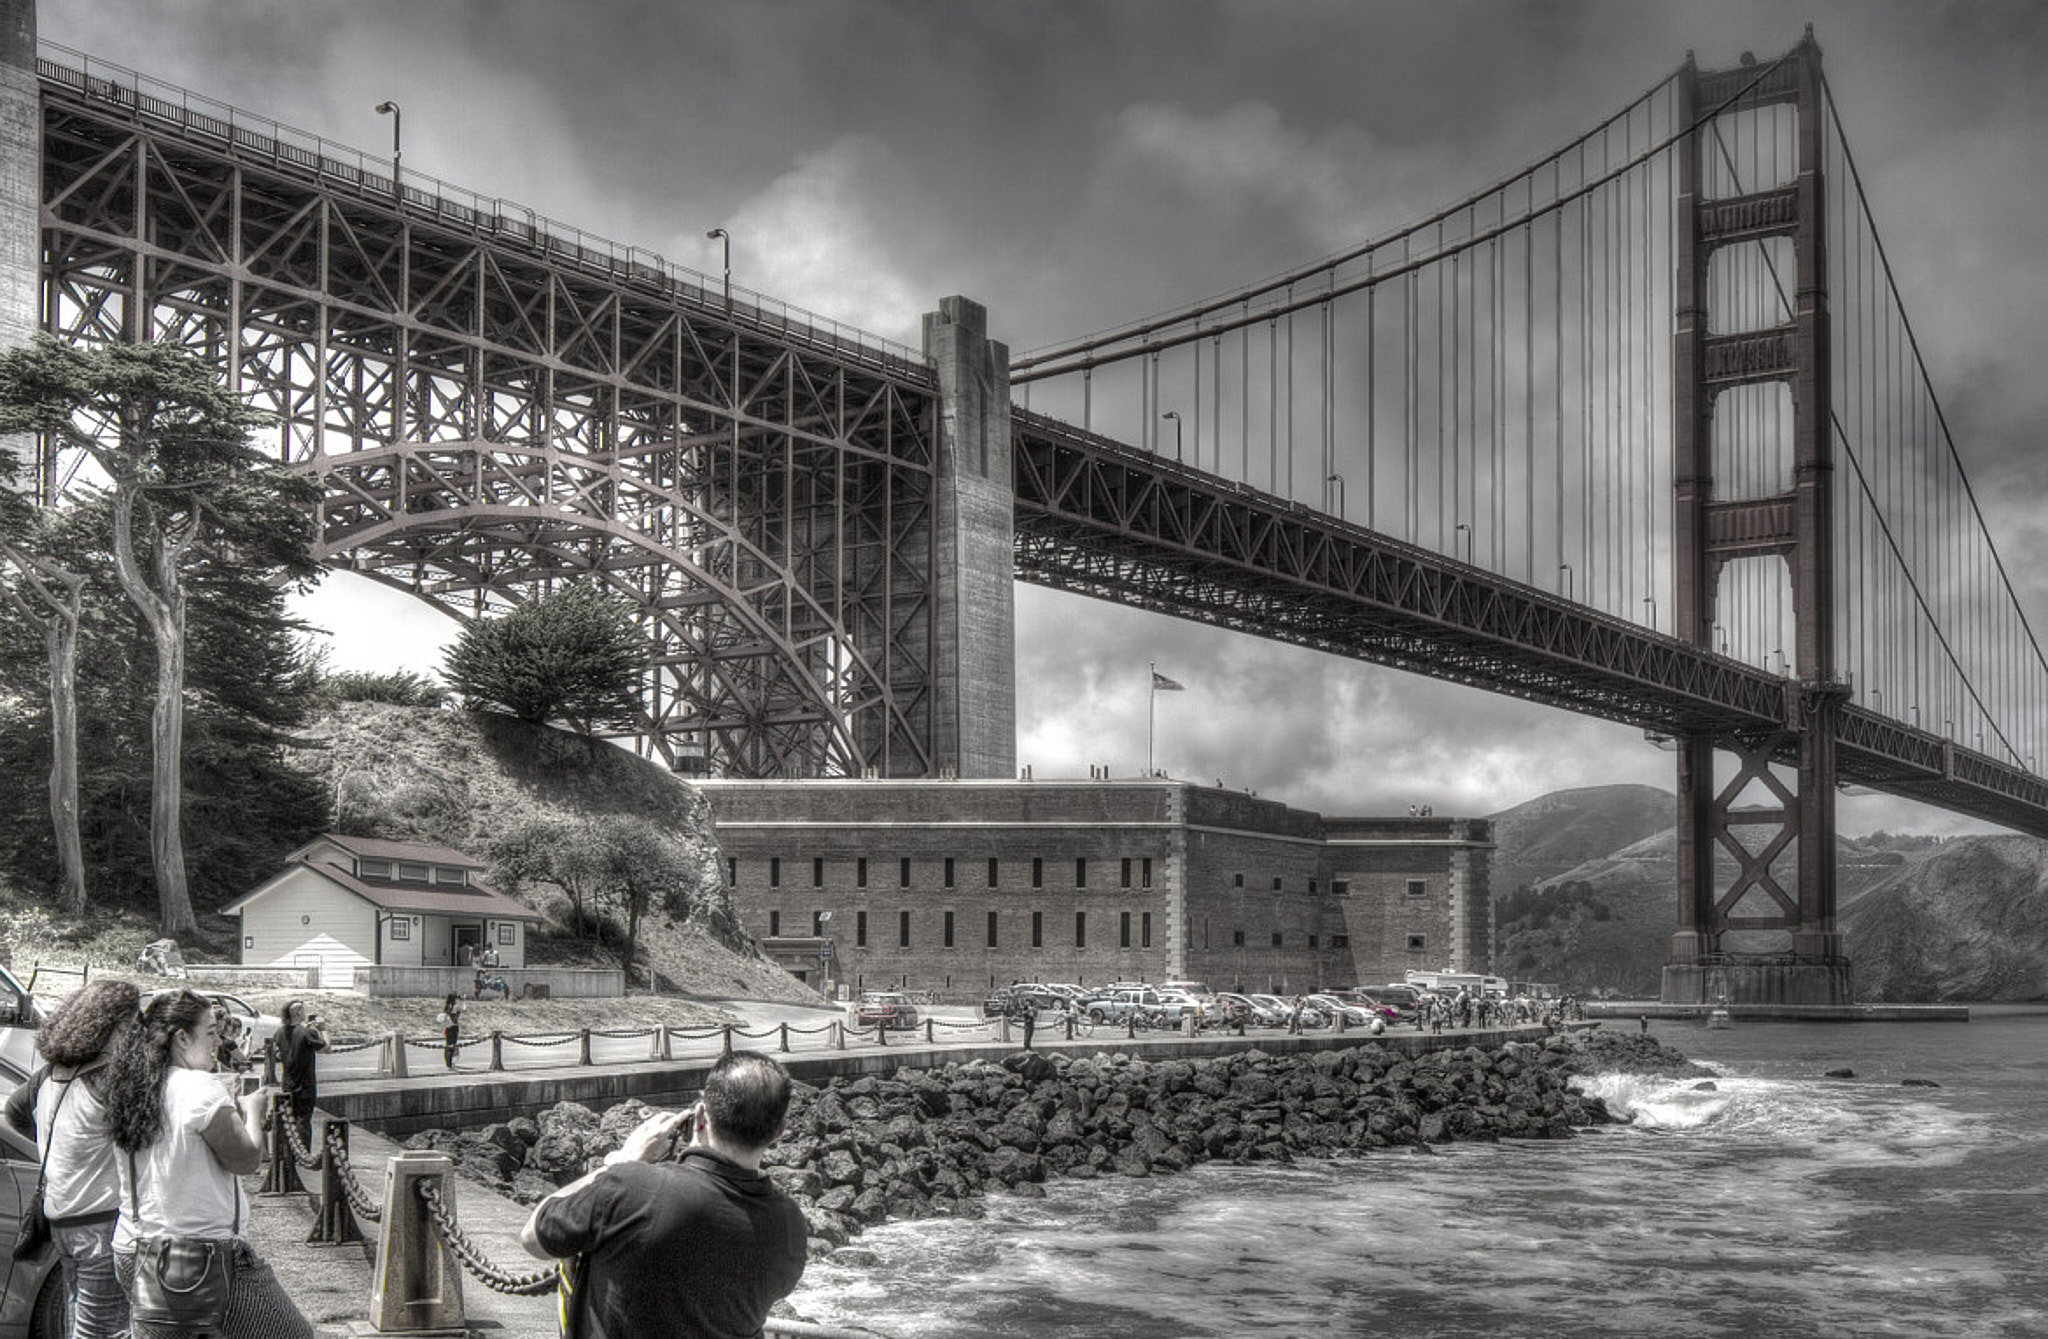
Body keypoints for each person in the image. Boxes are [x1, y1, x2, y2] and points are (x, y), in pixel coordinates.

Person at [520, 1051, 807, 1339]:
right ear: (779, 1132)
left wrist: (621, 1162)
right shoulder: (790, 1225)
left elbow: (533, 1238)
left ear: (701, 1114)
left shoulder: (632, 1186)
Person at [106, 990, 312, 1339]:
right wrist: (253, 1112)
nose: (218, 1041)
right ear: (182, 1037)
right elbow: (246, 1159)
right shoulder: (200, 1088)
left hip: (134, 1245)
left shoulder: (132, 1087)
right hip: (201, 1255)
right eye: (211, 1032)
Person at [2, 979, 139, 1339]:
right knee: (103, 1331)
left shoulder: (51, 1074)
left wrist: (60, 1145)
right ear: (116, 1025)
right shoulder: (109, 1077)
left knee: (79, 1323)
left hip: (61, 1219)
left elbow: (15, 1113)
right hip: (101, 1223)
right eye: (132, 1023)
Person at [272, 1000, 328, 1152]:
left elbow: (278, 1052)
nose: (305, 1013)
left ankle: (287, 1151)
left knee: (289, 1119)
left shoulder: (279, 1032)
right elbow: (325, 1048)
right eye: (303, 1011)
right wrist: (322, 1030)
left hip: (287, 1084)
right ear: (298, 1013)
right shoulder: (306, 1033)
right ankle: (303, 1153)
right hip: (305, 1085)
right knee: (303, 1120)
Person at [438, 993, 462, 1070]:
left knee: (448, 1045)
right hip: (453, 1027)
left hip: (447, 1027)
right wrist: (458, 1013)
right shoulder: (455, 1007)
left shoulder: (447, 1006)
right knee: (452, 1045)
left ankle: (448, 1062)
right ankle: (450, 1064)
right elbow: (454, 1018)